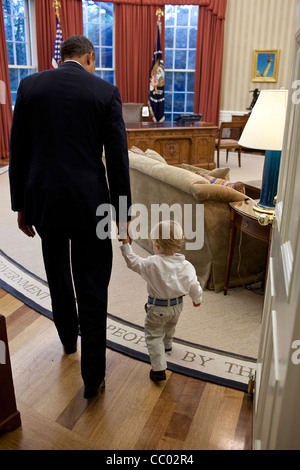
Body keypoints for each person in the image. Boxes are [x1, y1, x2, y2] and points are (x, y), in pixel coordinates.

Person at [9, 35, 132, 399]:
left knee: (58, 274)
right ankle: (92, 379)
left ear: (62, 57)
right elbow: (118, 160)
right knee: (92, 286)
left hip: (44, 202)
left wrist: (21, 206)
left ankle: (67, 339)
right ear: (90, 57)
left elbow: (19, 151)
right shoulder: (105, 92)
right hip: (90, 204)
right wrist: (123, 215)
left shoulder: (29, 86)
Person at [120, 220, 202, 382]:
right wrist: (197, 299)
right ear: (179, 244)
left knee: (153, 335)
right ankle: (168, 344)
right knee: (171, 325)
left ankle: (158, 369)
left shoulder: (152, 264)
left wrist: (125, 244)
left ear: (156, 245)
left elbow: (132, 261)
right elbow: (194, 286)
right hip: (177, 306)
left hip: (157, 308)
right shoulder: (187, 266)